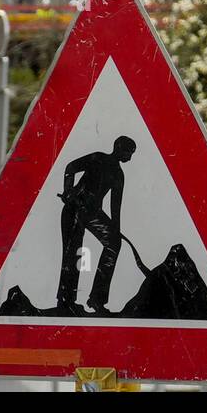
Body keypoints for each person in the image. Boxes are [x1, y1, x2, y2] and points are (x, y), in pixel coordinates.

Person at [55, 135, 136, 315]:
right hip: (75, 208)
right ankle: (66, 300)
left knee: (114, 243)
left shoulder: (119, 175)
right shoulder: (98, 158)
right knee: (74, 253)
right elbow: (70, 168)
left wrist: (116, 230)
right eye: (128, 152)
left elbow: (116, 206)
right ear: (118, 148)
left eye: (131, 154)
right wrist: (68, 191)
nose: (129, 157)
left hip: (93, 214)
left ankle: (97, 299)